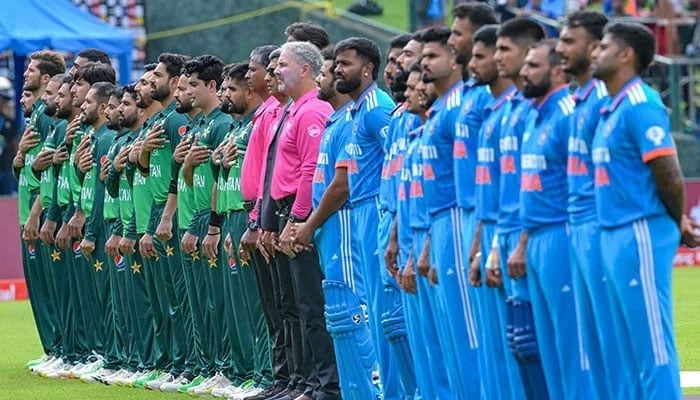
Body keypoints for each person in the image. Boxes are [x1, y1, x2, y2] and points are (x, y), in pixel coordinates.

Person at [591, 21, 687, 399]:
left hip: (639, 230)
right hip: (614, 231)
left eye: (604, 47)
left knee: (651, 343)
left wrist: (672, 220)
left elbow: (669, 175)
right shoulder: (610, 107)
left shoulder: (639, 104)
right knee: (624, 345)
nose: (595, 53)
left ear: (626, 55)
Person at [293, 47, 378, 400]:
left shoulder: (371, 114)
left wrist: (309, 224)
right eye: (333, 67)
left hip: (348, 222)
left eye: (337, 68)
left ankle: (372, 389)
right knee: (339, 315)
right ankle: (352, 390)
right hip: (333, 227)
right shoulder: (340, 119)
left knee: (354, 310)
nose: (327, 76)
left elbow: (342, 185)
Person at [334, 36, 417, 400]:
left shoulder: (376, 111)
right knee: (381, 315)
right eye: (336, 63)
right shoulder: (356, 111)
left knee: (394, 314)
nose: (338, 70)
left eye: (345, 63)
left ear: (367, 69)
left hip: (383, 211)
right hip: (369, 213)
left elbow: (398, 162)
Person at [556, 11, 622, 400]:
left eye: (569, 41)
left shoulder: (603, 100)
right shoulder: (578, 100)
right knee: (584, 343)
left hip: (601, 227)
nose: (561, 48)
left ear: (596, 47)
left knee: (610, 339)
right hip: (576, 227)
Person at [519, 39, 588, 399]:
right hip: (536, 238)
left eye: (533, 65)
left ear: (558, 70)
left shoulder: (568, 114)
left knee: (572, 349)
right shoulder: (536, 113)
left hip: (562, 235)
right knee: (544, 349)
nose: (523, 72)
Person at [272, 40, 340, 400]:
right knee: (298, 307)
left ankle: (327, 386)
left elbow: (311, 170)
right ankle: (309, 383)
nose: (276, 70)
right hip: (288, 213)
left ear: (305, 70)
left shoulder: (312, 111)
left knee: (313, 307)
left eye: (283, 64)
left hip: (300, 216)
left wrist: (297, 219)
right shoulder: (295, 109)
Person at [417, 26, 480, 399]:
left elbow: (468, 178)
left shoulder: (460, 108)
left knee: (469, 331)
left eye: (432, 56)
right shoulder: (439, 109)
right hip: (437, 222)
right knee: (449, 332)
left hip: (458, 218)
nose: (424, 63)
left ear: (455, 60)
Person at [467, 24, 526, 400]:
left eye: (479, 54)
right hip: (491, 228)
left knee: (527, 342)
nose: (470, 62)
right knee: (495, 341)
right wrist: (481, 245)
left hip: (524, 231)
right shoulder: (493, 112)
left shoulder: (519, 112)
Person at [493, 18, 548, 400]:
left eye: (503, 50)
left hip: (548, 233)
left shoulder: (551, 110)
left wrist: (524, 238)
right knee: (519, 342)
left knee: (553, 346)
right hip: (506, 228)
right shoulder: (512, 110)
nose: (498, 59)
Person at [210, 62, 271, 400]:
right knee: (237, 303)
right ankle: (243, 370)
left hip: (250, 215)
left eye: (231, 89)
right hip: (233, 218)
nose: (225, 94)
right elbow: (222, 180)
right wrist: (216, 225)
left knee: (255, 301)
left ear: (250, 92)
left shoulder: (255, 126)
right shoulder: (234, 130)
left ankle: (262, 373)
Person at [135, 52, 194, 391]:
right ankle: (174, 362)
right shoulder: (159, 122)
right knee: (167, 299)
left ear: (174, 82)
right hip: (160, 212)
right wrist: (142, 155)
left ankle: (186, 364)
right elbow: (149, 175)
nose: (150, 81)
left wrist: (167, 216)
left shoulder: (177, 121)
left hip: (177, 214)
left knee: (182, 299)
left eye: (155, 76)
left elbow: (176, 176)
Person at [180, 54, 234, 396]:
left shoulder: (222, 124)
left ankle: (230, 368)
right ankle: (213, 365)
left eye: (193, 85)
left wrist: (213, 225)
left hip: (217, 216)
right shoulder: (199, 126)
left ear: (212, 86)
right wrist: (185, 165)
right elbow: (191, 177)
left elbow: (220, 176)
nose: (186, 91)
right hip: (199, 215)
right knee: (205, 300)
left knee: (222, 300)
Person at [16, 50, 66, 376]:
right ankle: (54, 349)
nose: (25, 76)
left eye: (30, 71)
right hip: (28, 209)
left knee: (54, 287)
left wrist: (37, 212)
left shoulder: (48, 118)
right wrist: (20, 154)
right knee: (40, 288)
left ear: (46, 78)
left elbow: (47, 171)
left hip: (41, 210)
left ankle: (63, 348)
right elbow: (23, 169)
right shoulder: (34, 116)